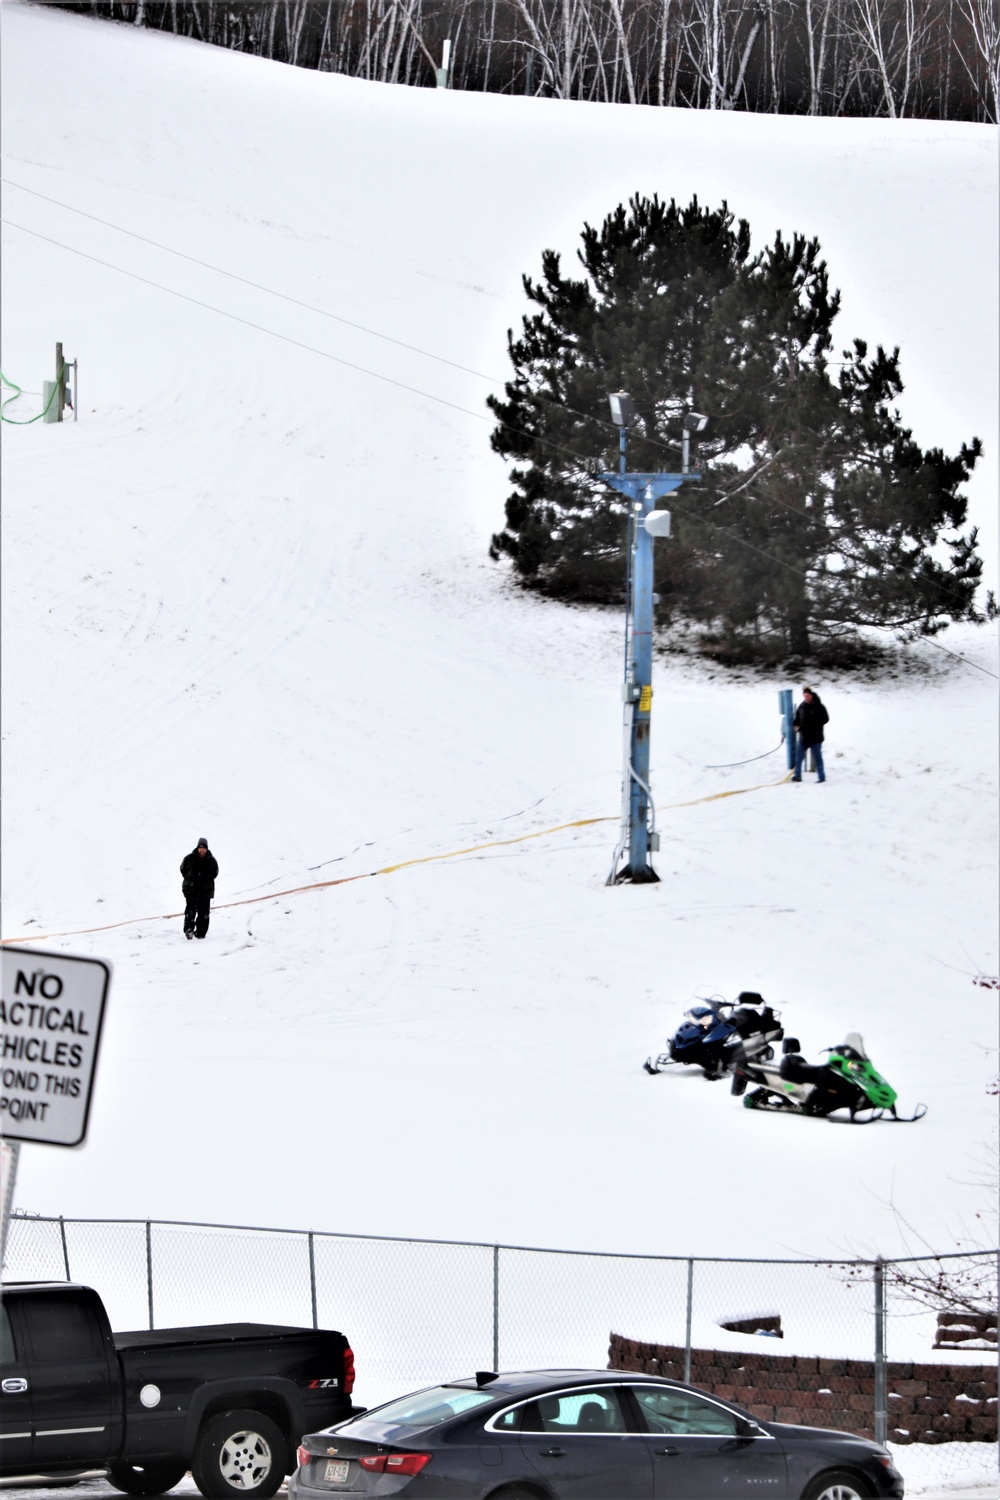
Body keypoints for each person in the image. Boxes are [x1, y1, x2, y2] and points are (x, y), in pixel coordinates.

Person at [180, 837, 219, 939]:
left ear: (207, 849)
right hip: (191, 890)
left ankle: (201, 933)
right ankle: (189, 930)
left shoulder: (211, 860)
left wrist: (206, 880)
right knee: (190, 910)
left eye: (204, 848)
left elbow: (215, 872)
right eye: (200, 847)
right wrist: (190, 880)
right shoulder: (189, 859)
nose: (202, 850)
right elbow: (183, 869)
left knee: (204, 913)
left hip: (205, 891)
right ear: (197, 848)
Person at [792, 687, 829, 783]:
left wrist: (815, 724)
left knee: (818, 757)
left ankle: (821, 777)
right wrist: (796, 725)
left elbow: (825, 719)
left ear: (811, 696)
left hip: (815, 737)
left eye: (807, 696)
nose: (806, 698)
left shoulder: (819, 706)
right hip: (804, 737)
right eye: (804, 696)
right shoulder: (802, 706)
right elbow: (797, 718)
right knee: (798, 756)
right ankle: (797, 776)